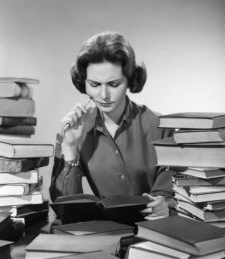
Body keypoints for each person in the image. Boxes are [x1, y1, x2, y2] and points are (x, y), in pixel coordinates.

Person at [50, 31, 173, 220]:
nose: (104, 95)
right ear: (83, 82)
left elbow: (175, 193)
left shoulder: (161, 126)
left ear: (130, 80)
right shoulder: (72, 131)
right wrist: (70, 147)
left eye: (114, 84)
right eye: (94, 84)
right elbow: (65, 208)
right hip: (105, 235)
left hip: (158, 232)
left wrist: (166, 204)